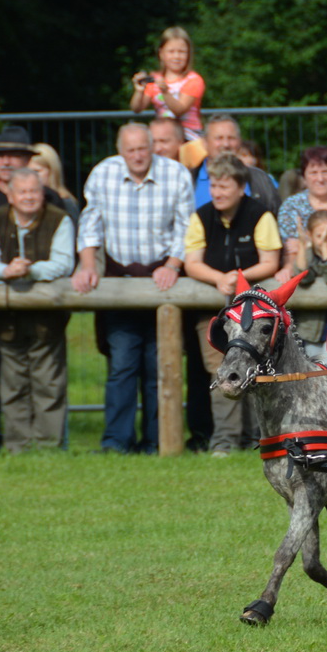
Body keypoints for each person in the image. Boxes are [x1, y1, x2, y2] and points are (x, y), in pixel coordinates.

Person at [73, 122, 194, 454]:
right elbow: (90, 221)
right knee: (122, 363)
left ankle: (157, 441)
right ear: (120, 150)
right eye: (131, 150)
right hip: (119, 282)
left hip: (164, 281)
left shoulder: (176, 174)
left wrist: (172, 265)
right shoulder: (102, 174)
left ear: (152, 146)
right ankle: (116, 442)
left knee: (160, 364)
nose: (138, 155)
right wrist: (86, 264)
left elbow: (186, 225)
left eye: (144, 148)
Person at [0, 125, 65, 454]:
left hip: (47, 319)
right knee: (13, 384)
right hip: (5, 319)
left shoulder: (59, 218)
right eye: (22, 192)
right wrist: (6, 271)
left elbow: (64, 263)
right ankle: (19, 447)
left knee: (48, 384)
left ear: (42, 190)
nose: (28, 197)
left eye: (33, 191)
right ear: (11, 193)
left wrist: (30, 269)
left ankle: (48, 447)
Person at [186, 153, 283, 455]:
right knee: (220, 368)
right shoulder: (201, 216)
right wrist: (218, 278)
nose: (217, 192)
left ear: (241, 188)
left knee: (256, 369)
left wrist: (238, 277)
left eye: (224, 186)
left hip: (253, 314)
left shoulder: (261, 216)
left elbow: (270, 262)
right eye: (214, 185)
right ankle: (224, 442)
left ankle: (257, 438)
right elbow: (191, 263)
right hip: (214, 312)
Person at [276, 146, 327, 270]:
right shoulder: (291, 205)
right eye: (313, 173)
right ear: (304, 177)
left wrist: (307, 243)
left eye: (325, 172)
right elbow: (290, 250)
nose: (320, 179)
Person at [287, 209, 327, 363]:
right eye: (319, 235)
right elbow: (303, 278)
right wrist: (303, 247)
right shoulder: (306, 256)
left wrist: (325, 252)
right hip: (311, 330)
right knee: (313, 366)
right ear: (309, 234)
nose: (325, 240)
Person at [192, 116, 280, 215]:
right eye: (219, 138)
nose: (226, 144)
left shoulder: (260, 179)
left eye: (231, 138)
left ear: (240, 141)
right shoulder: (189, 179)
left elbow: (276, 216)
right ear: (205, 143)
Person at [130, 25, 206, 140]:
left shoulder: (194, 80)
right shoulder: (155, 79)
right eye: (171, 51)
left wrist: (165, 92)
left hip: (189, 134)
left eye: (181, 52)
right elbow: (137, 109)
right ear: (161, 53)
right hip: (163, 135)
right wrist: (139, 91)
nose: (176, 56)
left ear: (189, 54)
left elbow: (179, 110)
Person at [30, 143, 80, 224]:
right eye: (28, 171)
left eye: (36, 171)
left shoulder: (66, 203)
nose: (31, 176)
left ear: (52, 171)